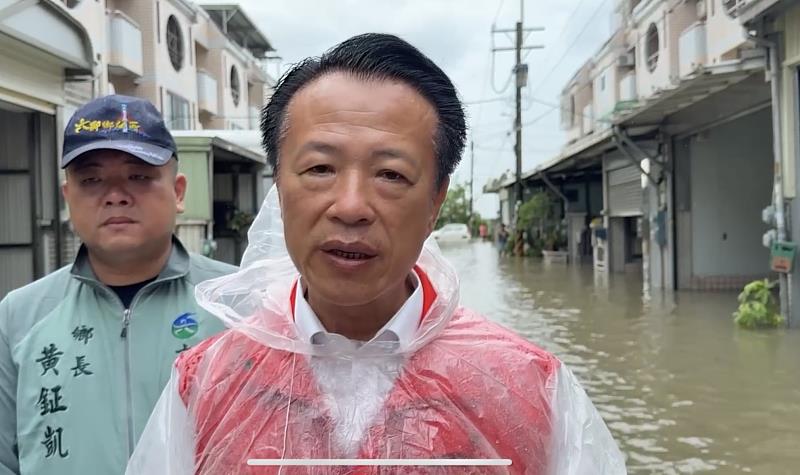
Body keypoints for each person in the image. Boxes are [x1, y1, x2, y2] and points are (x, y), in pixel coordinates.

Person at [127, 34, 625, 474]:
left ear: (435, 201)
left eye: (391, 174)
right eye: (320, 168)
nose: (351, 207)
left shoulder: (527, 386)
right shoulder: (206, 383)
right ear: (278, 186)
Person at [0, 95, 236, 475]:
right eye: (91, 180)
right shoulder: (18, 316)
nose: (115, 196)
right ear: (67, 197)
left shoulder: (237, 304)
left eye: (138, 176)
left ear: (177, 192)